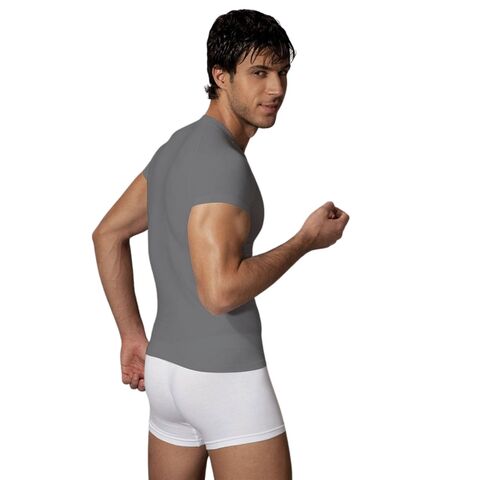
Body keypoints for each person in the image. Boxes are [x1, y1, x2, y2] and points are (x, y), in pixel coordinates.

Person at [92, 8, 350, 480]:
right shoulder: (222, 164)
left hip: (167, 376)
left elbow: (107, 234)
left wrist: (131, 336)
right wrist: (305, 241)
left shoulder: (176, 147)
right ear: (221, 76)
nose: (276, 88)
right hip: (225, 379)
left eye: (282, 72)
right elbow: (220, 292)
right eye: (259, 73)